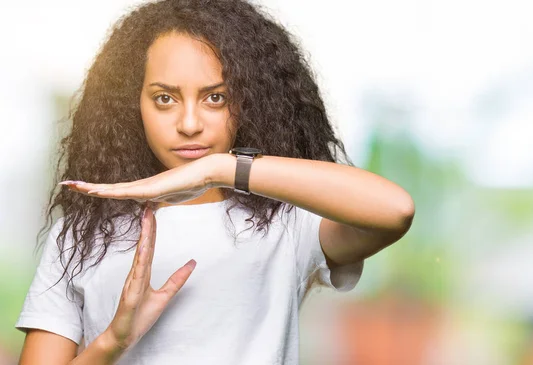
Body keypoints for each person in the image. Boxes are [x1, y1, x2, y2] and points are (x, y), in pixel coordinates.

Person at [15, 0, 415, 364]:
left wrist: (221, 169)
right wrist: (111, 343)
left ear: (249, 100)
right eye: (165, 98)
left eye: (215, 98)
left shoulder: (289, 221)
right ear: (130, 103)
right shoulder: (81, 236)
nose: (189, 124)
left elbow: (394, 210)